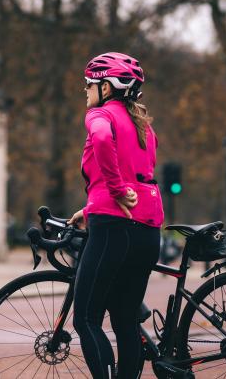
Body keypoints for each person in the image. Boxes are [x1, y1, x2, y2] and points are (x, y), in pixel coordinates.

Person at [68, 52, 164, 378]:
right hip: (148, 231)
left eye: (89, 83)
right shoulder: (145, 129)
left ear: (106, 87)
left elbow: (101, 139)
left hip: (114, 229)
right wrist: (92, 207)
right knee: (125, 319)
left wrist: (117, 189)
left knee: (86, 318)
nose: (85, 89)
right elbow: (136, 173)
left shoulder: (101, 115)